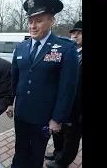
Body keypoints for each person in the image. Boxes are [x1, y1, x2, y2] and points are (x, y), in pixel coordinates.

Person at [5, 0, 79, 168]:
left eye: (38, 21)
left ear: (52, 21)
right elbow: (14, 78)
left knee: (36, 154)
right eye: (30, 21)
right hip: (22, 113)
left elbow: (67, 88)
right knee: (20, 149)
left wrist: (57, 118)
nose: (32, 26)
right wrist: (9, 102)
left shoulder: (65, 48)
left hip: (44, 116)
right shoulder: (21, 48)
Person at [44, 20, 82, 168]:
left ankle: (63, 162)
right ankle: (57, 153)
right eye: (73, 33)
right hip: (62, 104)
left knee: (71, 137)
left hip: (77, 107)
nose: (75, 36)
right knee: (58, 133)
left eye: (79, 33)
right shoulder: (65, 51)